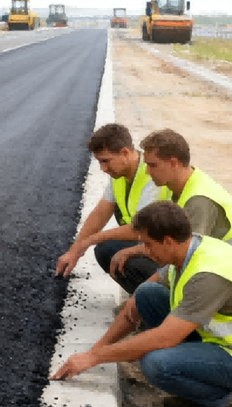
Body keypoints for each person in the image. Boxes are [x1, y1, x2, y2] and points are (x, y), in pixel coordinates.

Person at [51, 201, 232, 407]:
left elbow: (165, 338)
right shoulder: (189, 249)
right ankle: (202, 386)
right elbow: (143, 296)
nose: (145, 251)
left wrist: (94, 358)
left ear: (167, 241)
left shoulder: (207, 275)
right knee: (146, 294)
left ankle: (229, 398)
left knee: (156, 364)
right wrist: (96, 349)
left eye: (148, 244)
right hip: (224, 341)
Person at [106, 129, 232, 281]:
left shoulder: (199, 201)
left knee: (149, 290)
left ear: (173, 163)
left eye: (152, 165)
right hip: (220, 268)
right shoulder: (180, 185)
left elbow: (186, 256)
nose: (147, 172)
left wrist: (144, 289)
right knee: (113, 250)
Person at [55, 123, 158, 294]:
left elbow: (141, 230)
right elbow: (101, 212)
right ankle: (140, 296)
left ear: (125, 153)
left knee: (107, 248)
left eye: (105, 161)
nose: (102, 168)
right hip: (147, 243)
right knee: (105, 250)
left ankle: (152, 300)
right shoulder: (120, 175)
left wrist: (90, 240)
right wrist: (75, 250)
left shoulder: (152, 177)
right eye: (99, 162)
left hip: (166, 252)